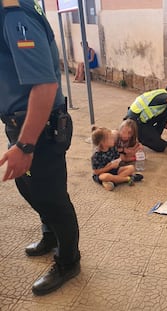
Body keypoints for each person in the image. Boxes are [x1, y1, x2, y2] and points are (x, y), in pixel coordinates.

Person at [0, 0, 81, 295]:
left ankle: (69, 261)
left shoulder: (14, 15)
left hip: (40, 129)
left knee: (52, 199)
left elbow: (45, 85)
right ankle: (50, 236)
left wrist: (25, 145)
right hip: (22, 125)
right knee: (30, 189)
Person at [125, 82, 167, 152]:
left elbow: (162, 122)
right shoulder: (163, 96)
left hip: (142, 120)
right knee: (160, 147)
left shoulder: (159, 94)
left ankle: (155, 137)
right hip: (135, 124)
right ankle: (137, 138)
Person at [91, 126, 143, 191]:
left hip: (115, 170)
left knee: (131, 168)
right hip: (102, 173)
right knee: (105, 177)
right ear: (103, 142)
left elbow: (118, 158)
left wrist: (117, 162)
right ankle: (127, 178)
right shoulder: (96, 155)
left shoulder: (113, 148)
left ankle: (113, 181)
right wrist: (109, 167)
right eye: (111, 138)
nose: (113, 139)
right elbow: (96, 172)